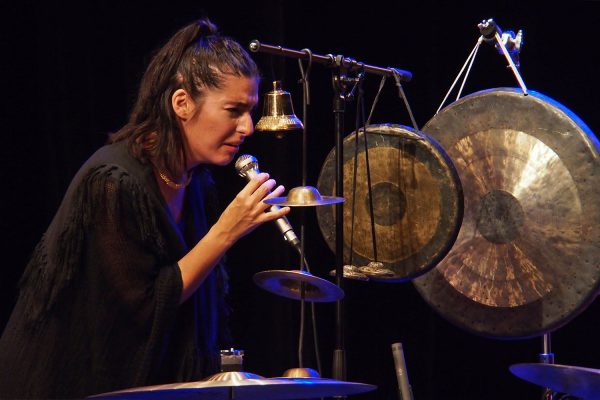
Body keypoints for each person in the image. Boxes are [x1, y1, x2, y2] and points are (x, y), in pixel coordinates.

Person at [0, 17, 289, 399]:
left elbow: (196, 311)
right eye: (234, 110)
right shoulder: (112, 183)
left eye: (250, 110)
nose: (248, 127)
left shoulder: (195, 181)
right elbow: (141, 311)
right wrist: (226, 231)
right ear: (182, 103)